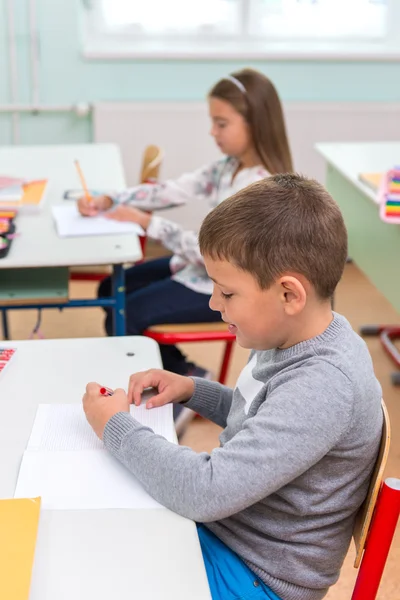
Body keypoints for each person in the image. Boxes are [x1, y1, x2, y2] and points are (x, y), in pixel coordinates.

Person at [83, 173, 383, 600]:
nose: (213, 303)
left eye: (226, 292)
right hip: (234, 534)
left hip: (254, 576)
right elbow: (262, 414)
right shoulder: (294, 335)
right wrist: (192, 389)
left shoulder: (324, 384)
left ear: (289, 294)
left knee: (94, 563)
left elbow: (207, 491)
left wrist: (116, 427)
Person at [77, 68, 293, 379]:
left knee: (124, 313)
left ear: (256, 124)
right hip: (197, 270)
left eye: (221, 123)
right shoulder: (227, 167)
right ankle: (184, 369)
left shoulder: (260, 187)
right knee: (109, 288)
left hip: (227, 286)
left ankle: (180, 380)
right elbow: (172, 190)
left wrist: (145, 222)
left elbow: (213, 254)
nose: (212, 131)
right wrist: (112, 199)